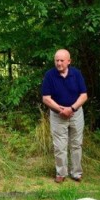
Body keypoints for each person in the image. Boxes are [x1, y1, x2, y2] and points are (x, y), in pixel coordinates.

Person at [41, 49, 88, 183]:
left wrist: (72, 108)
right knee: (59, 145)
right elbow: (46, 98)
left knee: (76, 144)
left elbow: (84, 95)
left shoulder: (76, 74)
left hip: (76, 113)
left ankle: (76, 173)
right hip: (57, 115)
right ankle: (61, 173)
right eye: (57, 60)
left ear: (69, 61)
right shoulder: (49, 75)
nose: (59, 63)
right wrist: (60, 109)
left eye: (62, 60)